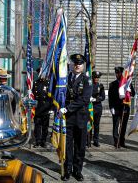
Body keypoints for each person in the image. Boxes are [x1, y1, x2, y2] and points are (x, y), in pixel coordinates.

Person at [59, 53, 93, 181]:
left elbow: (84, 99)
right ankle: (67, 170)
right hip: (67, 118)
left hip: (81, 118)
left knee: (80, 146)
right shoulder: (65, 78)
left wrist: (68, 108)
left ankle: (77, 171)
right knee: (67, 145)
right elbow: (61, 95)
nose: (77, 65)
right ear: (71, 64)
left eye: (80, 63)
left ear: (83, 66)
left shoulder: (87, 80)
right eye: (75, 63)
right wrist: (59, 107)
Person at [108, 66, 135, 148]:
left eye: (119, 73)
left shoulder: (127, 83)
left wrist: (129, 91)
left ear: (121, 73)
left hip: (125, 107)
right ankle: (116, 141)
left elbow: (133, 93)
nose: (117, 74)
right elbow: (110, 97)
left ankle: (122, 141)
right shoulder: (112, 84)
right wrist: (111, 107)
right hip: (116, 107)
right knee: (115, 125)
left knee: (123, 125)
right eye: (116, 73)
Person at [32, 68, 53, 148]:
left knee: (45, 126)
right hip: (38, 107)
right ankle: (37, 141)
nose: (41, 75)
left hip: (46, 107)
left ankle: (43, 141)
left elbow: (52, 97)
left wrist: (51, 108)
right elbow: (33, 95)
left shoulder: (49, 83)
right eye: (40, 73)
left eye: (43, 73)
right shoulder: (35, 83)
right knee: (37, 125)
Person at [90, 71, 105, 147]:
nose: (96, 79)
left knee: (96, 125)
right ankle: (88, 140)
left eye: (98, 78)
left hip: (98, 108)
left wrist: (96, 99)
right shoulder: (89, 85)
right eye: (95, 77)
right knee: (89, 124)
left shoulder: (101, 86)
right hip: (90, 107)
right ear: (92, 77)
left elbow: (103, 97)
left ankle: (96, 140)